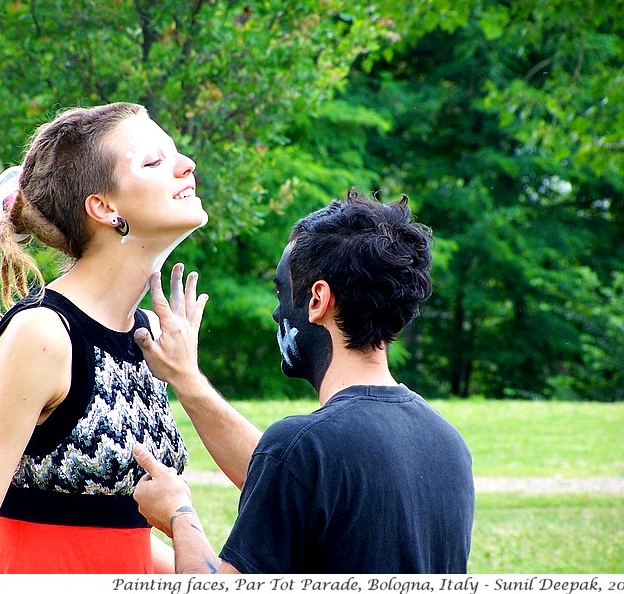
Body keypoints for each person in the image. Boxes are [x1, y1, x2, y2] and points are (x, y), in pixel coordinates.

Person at [0, 102, 260, 574]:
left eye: (175, 155)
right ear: (104, 208)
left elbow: (110, 533)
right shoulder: (44, 333)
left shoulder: (147, 334)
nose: (187, 165)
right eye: (154, 162)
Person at [132, 189, 476, 574]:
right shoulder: (447, 444)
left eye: (282, 291)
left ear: (318, 300)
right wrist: (186, 378)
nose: (278, 311)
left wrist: (179, 514)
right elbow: (301, 483)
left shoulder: (305, 447)